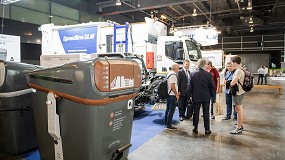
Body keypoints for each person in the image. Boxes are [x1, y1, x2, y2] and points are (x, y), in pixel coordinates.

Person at [189, 59, 214, 135]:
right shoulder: (208, 75)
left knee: (196, 113)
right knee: (206, 113)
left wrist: (189, 96)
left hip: (196, 96)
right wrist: (210, 95)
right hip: (206, 96)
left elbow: (190, 87)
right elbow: (212, 86)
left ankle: (195, 128)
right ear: (204, 65)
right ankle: (207, 129)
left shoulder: (192, 74)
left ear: (198, 64)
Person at [230, 56, 245, 134]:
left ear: (235, 62)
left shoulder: (238, 71)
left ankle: (239, 128)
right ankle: (240, 125)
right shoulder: (242, 69)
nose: (232, 64)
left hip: (238, 93)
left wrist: (230, 83)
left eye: (233, 62)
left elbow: (233, 82)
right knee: (240, 109)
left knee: (238, 110)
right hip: (241, 91)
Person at [164, 63, 180, 130]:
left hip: (169, 94)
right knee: (171, 110)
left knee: (168, 109)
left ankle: (166, 123)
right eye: (178, 68)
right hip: (172, 95)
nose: (179, 69)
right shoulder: (173, 75)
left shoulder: (169, 73)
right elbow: (172, 86)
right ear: (175, 68)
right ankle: (169, 124)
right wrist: (176, 93)